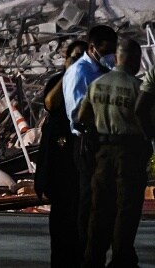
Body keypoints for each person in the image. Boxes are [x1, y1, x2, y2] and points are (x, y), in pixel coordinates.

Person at [78, 38, 151, 267]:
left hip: (102, 153)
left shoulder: (97, 84)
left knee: (99, 207)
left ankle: (93, 257)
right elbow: (147, 120)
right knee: (126, 208)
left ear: (117, 57)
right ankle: (122, 258)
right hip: (129, 152)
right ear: (135, 59)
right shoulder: (137, 87)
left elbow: (82, 119)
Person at [63, 24, 118, 262]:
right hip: (87, 140)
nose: (110, 56)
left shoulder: (104, 71)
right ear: (92, 47)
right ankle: (84, 248)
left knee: (104, 198)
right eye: (106, 50)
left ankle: (97, 246)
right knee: (89, 197)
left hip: (106, 140)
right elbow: (77, 113)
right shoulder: (80, 72)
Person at [35, 40, 87, 267]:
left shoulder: (90, 82)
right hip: (59, 162)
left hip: (81, 160)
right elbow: (50, 103)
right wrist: (69, 74)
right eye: (73, 58)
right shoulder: (59, 81)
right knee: (60, 228)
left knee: (81, 227)